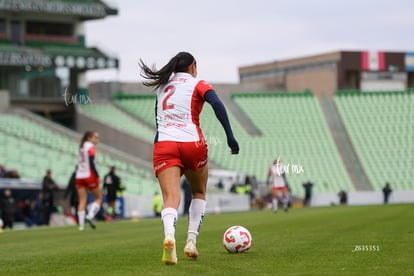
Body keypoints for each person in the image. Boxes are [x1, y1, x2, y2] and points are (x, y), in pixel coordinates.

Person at [139, 52, 239, 265]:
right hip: (192, 143)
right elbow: (217, 104)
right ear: (193, 66)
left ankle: (169, 237)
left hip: (165, 144)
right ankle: (191, 242)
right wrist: (230, 137)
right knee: (199, 191)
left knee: (171, 198)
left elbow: (158, 122)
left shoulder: (163, 87)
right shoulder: (198, 83)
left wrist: (160, 148)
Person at [76, 131, 102, 231]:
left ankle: (81, 226)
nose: (97, 140)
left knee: (82, 200)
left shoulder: (82, 146)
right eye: (95, 138)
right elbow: (91, 162)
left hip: (79, 176)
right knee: (98, 198)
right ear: (89, 138)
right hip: (89, 175)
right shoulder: (90, 146)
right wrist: (97, 175)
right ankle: (90, 215)